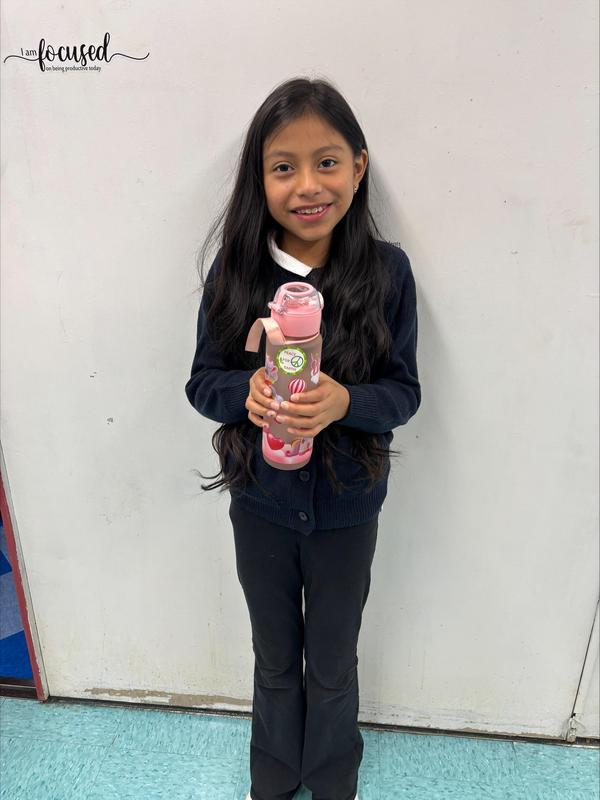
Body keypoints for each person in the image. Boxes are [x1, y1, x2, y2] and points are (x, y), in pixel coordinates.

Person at [185, 76, 421, 800]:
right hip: (260, 502)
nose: (308, 185)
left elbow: (403, 396)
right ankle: (273, 777)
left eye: (328, 161)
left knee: (331, 658)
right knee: (275, 654)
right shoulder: (237, 271)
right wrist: (247, 394)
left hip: (348, 508)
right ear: (260, 179)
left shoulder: (385, 273)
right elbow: (203, 382)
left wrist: (345, 400)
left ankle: (331, 780)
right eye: (283, 166)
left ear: (360, 165)